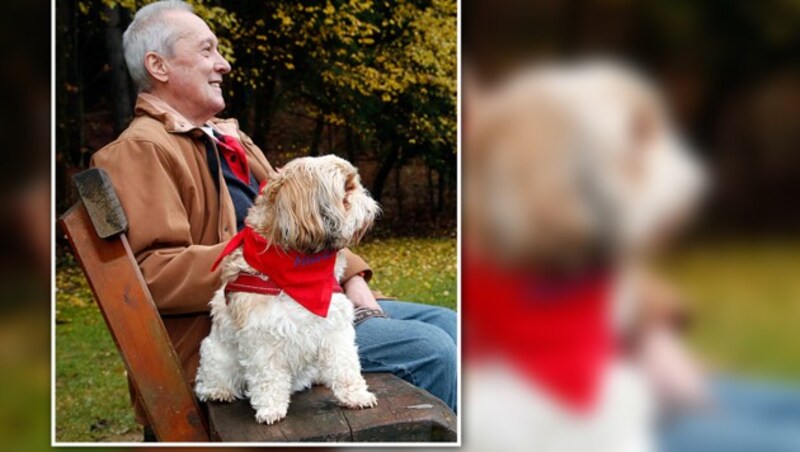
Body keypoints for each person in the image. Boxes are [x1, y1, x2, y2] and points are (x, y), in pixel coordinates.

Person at [90, 0, 456, 439]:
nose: (223, 64)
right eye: (207, 50)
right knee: (431, 350)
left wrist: (354, 278)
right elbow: (150, 275)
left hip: (306, 301)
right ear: (158, 65)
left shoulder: (228, 138)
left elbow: (302, 221)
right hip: (244, 335)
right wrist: (259, 257)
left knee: (451, 323)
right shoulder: (141, 150)